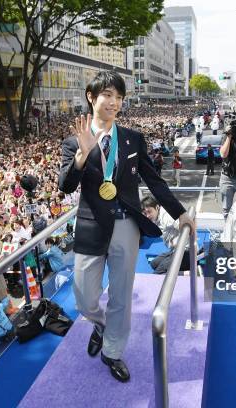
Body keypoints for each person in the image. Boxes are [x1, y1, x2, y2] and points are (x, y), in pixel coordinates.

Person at [58, 71, 194, 383]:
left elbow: (153, 179)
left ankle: (113, 351)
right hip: (91, 226)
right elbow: (64, 186)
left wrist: (179, 213)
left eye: (119, 97)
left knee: (121, 293)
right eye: (108, 95)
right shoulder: (73, 142)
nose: (114, 102)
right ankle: (101, 325)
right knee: (84, 299)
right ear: (92, 98)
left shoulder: (132, 139)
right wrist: (80, 156)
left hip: (125, 225)